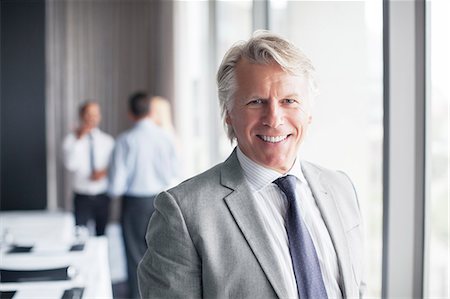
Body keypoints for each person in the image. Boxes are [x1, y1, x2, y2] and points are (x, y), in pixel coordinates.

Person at [138, 31, 366, 298]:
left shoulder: (341, 188)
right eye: (256, 102)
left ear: (309, 111)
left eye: (289, 101)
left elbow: (356, 286)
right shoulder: (184, 213)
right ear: (229, 114)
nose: (274, 118)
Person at [108, 92, 179, 299]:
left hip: (133, 204)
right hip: (161, 200)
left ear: (130, 113)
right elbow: (173, 172)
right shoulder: (165, 138)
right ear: (150, 111)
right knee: (160, 254)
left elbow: (116, 185)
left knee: (134, 257)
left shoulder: (125, 140)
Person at [62, 101, 114, 236]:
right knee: (80, 236)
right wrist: (79, 139)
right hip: (82, 197)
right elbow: (70, 165)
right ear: (81, 115)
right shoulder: (71, 140)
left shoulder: (107, 141)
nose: (92, 118)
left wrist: (103, 173)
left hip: (102, 195)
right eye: (89, 114)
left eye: (95, 114)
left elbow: (114, 165)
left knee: (101, 236)